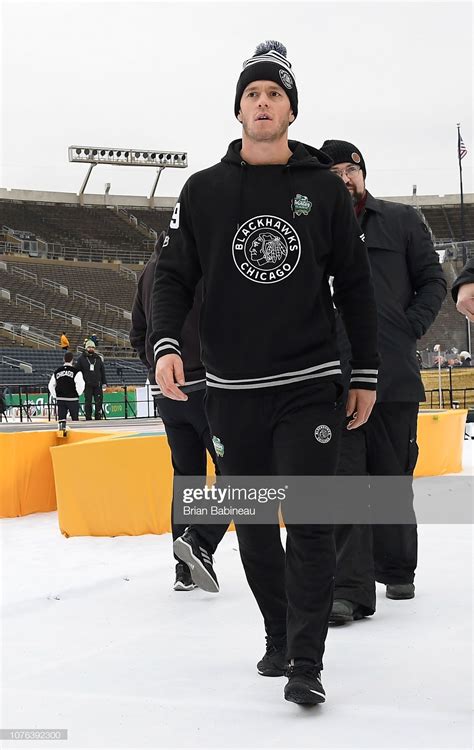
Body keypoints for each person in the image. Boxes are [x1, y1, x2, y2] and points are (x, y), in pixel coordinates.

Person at [151, 40, 379, 706]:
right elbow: (172, 275)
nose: (262, 102)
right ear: (239, 109)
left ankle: (307, 660)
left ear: (290, 110)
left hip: (308, 382)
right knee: (253, 522)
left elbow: (357, 286)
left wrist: (363, 372)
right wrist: (167, 343)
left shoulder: (322, 191)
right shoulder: (203, 191)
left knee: (307, 520)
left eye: (274, 93)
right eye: (252, 93)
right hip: (231, 391)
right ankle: (278, 635)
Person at [319, 140, 446, 624]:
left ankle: (396, 568)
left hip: (392, 374)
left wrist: (407, 326)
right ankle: (349, 590)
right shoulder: (316, 230)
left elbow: (433, 280)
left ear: (364, 174)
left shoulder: (403, 220)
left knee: (393, 476)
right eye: (332, 174)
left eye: (350, 170)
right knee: (345, 481)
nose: (343, 178)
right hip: (336, 376)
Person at [130, 232, 228, 592]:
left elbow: (138, 333)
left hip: (167, 393)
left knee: (186, 476)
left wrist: (158, 369)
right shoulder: (196, 268)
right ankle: (200, 540)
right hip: (205, 386)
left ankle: (183, 569)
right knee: (238, 472)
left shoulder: (147, 273)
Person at [48, 351, 85, 421]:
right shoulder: (76, 371)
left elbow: (51, 385)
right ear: (72, 360)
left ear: (63, 359)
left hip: (61, 399)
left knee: (61, 421)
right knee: (75, 420)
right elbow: (81, 384)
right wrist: (77, 394)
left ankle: (61, 431)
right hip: (72, 399)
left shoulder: (57, 371)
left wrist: (56, 395)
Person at [76, 340, 107, 420]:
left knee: (99, 402)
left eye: (93, 347)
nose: (91, 349)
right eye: (89, 347)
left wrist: (104, 382)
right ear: (86, 348)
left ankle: (98, 416)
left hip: (97, 384)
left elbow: (102, 371)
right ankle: (88, 417)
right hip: (87, 384)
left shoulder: (98, 358)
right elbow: (77, 372)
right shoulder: (81, 359)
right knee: (88, 402)